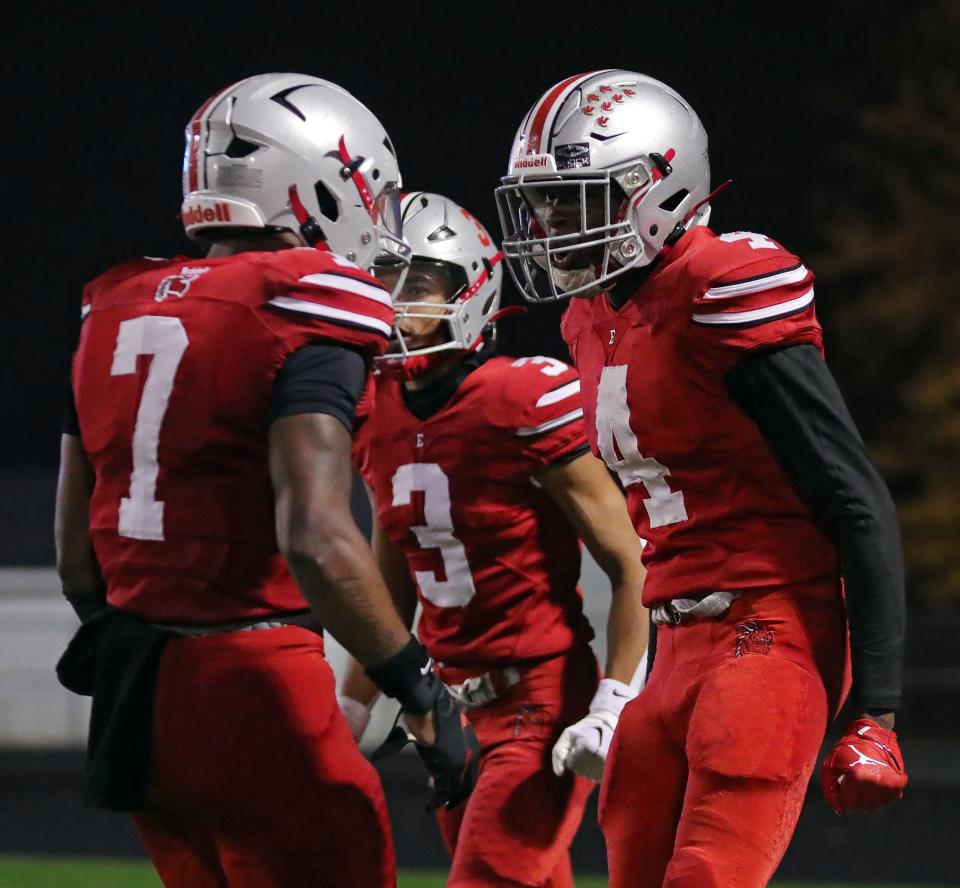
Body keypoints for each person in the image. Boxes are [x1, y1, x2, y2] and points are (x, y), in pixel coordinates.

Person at [54, 74, 476, 888]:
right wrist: (418, 689)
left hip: (137, 698)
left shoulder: (111, 303)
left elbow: (78, 556)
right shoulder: (305, 301)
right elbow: (316, 536)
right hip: (255, 684)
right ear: (316, 181)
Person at [495, 70, 908, 887]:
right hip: (671, 642)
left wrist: (878, 709)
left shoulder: (724, 286)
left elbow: (854, 493)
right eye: (544, 204)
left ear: (660, 184)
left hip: (768, 632)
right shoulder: (590, 316)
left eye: (575, 202)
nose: (550, 227)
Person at [337, 191, 649, 888]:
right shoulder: (373, 413)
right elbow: (392, 574)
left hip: (540, 700)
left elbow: (632, 563)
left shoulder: (521, 399)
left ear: (471, 288)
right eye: (383, 278)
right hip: (449, 712)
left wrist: (613, 700)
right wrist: (356, 701)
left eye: (417, 281)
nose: (394, 300)